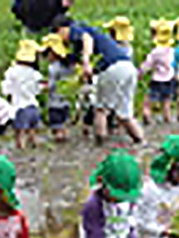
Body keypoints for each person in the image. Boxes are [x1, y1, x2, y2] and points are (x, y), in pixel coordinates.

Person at [52, 15, 144, 146]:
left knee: (100, 109)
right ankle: (139, 140)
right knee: (124, 113)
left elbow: (87, 39)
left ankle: (100, 142)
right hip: (128, 68)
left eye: (59, 33)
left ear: (62, 28)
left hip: (113, 68)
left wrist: (86, 62)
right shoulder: (86, 39)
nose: (61, 38)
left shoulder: (77, 29)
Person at [1, 40, 44, 149]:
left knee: (19, 134)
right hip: (33, 106)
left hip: (19, 107)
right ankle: (35, 146)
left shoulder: (12, 72)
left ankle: (21, 148)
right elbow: (38, 90)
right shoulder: (35, 74)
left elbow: (6, 89)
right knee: (32, 131)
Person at [139, 20, 175, 124]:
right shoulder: (171, 50)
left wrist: (140, 73)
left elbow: (147, 65)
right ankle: (167, 118)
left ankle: (146, 115)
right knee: (166, 102)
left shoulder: (155, 52)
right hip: (170, 78)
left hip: (157, 79)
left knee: (148, 100)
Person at [41, 33, 74, 143]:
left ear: (52, 53)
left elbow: (51, 85)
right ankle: (65, 135)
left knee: (56, 124)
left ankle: (59, 137)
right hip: (66, 99)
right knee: (64, 121)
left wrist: (43, 87)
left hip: (54, 101)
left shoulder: (53, 67)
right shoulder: (68, 65)